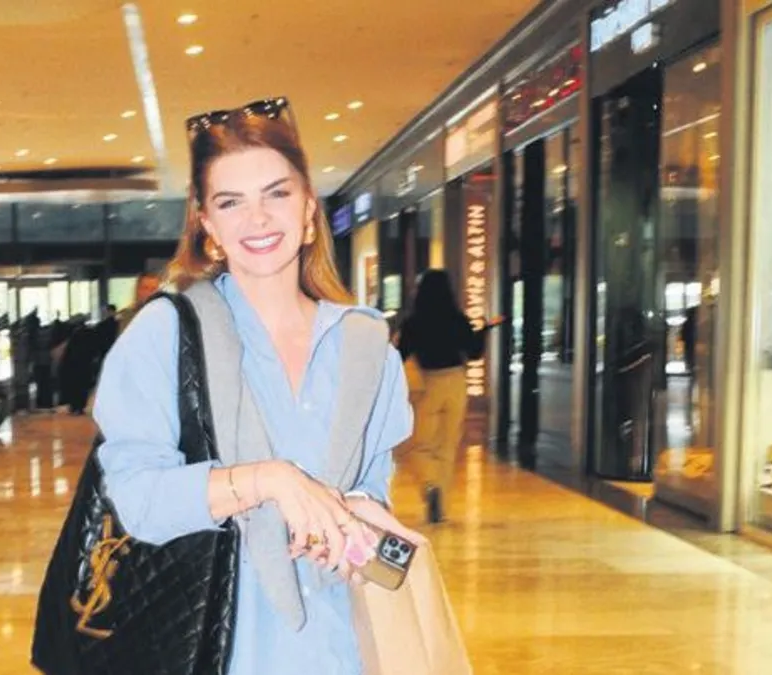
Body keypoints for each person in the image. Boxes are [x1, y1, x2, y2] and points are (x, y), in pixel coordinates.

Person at [92, 97, 420, 674]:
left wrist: (358, 514)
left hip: (342, 646)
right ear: (207, 224)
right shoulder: (166, 333)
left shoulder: (365, 344)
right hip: (218, 646)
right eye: (231, 202)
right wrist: (268, 480)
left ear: (309, 207)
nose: (258, 219)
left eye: (276, 193)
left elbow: (372, 482)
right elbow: (137, 499)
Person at [397, 269, 503, 523]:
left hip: (429, 384)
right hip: (456, 383)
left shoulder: (413, 322)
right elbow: (474, 353)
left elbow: (399, 355)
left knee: (419, 446)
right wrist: (484, 330)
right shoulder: (457, 319)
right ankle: (440, 508)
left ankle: (430, 484)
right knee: (447, 447)